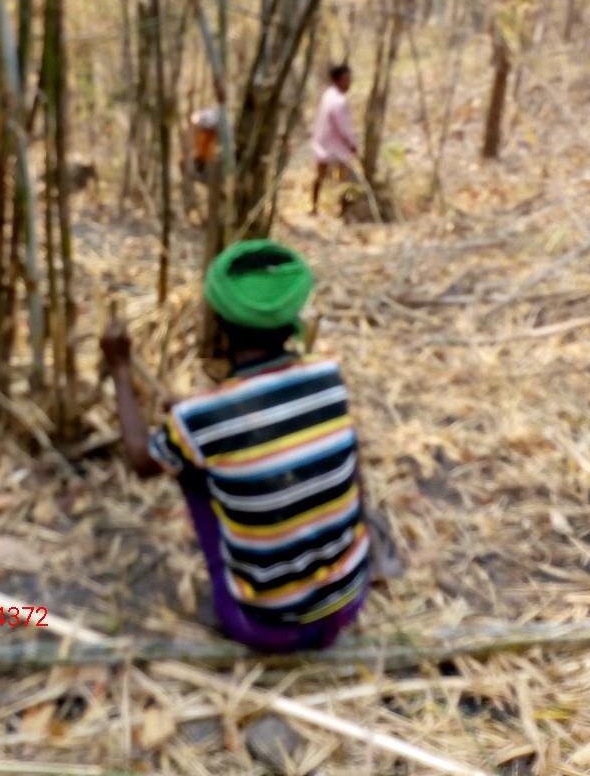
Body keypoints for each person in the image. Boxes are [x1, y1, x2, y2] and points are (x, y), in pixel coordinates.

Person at [100, 239, 388, 652]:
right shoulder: (327, 377)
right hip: (348, 603)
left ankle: (238, 591)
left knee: (190, 468)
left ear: (218, 325)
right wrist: (198, 421)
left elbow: (142, 462)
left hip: (266, 627)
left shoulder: (199, 418)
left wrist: (120, 368)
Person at [311, 63, 358, 215]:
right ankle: (341, 209)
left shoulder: (327, 95)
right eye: (346, 80)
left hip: (322, 141)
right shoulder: (339, 101)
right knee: (342, 178)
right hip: (336, 144)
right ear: (338, 80)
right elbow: (343, 126)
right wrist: (352, 143)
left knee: (320, 176)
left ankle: (314, 207)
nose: (348, 83)